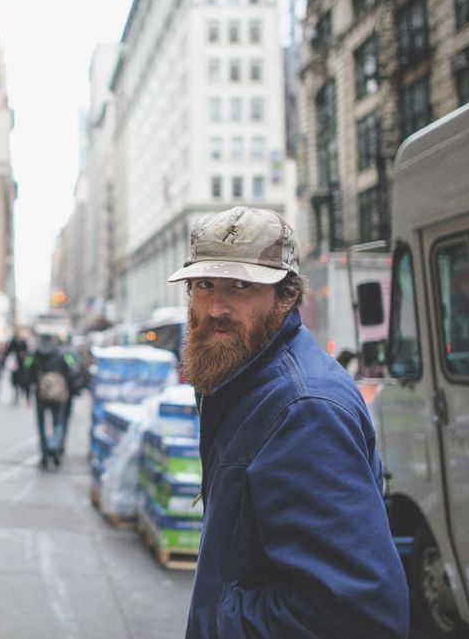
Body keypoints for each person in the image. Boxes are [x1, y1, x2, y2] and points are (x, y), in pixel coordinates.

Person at [167, 207, 408, 638]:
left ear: (287, 296)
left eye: (241, 285)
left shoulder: (304, 410)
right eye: (204, 285)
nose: (216, 307)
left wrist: (219, 619)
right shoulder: (243, 377)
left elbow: (360, 610)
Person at [25, 332, 79, 469]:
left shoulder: (35, 354)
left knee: (42, 425)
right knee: (58, 422)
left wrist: (28, 391)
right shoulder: (63, 353)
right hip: (58, 394)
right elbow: (72, 371)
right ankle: (55, 446)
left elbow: (27, 368)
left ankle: (44, 455)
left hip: (40, 393)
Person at [4, 329, 30, 404]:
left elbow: (26, 353)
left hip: (21, 365)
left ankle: (19, 393)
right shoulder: (12, 341)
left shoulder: (23, 342)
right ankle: (16, 394)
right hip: (14, 365)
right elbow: (8, 351)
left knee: (21, 380)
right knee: (15, 380)